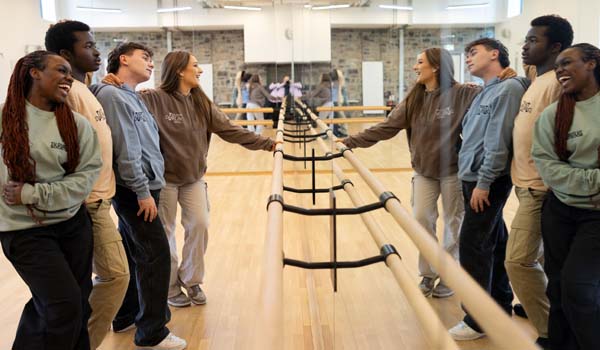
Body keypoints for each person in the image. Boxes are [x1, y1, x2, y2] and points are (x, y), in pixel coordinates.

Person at [101, 50, 275, 307]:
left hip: (193, 178)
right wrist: (111, 83)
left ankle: (192, 280)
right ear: (180, 70)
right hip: (165, 181)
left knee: (200, 225)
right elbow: (125, 102)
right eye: (195, 65)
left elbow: (229, 130)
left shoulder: (201, 102)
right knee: (166, 234)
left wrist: (268, 144)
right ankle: (170, 287)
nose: (200, 70)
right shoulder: (154, 98)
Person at [342, 48, 481, 298]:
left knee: (453, 225)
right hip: (424, 171)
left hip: (453, 172)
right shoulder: (414, 98)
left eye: (420, 62)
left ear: (436, 66)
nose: (415, 67)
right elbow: (387, 127)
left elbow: (493, 98)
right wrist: (350, 141)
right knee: (421, 221)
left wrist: (500, 78)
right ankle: (428, 274)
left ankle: (450, 277)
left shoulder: (462, 94)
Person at [0, 50, 102, 349]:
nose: (69, 77)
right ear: (34, 72)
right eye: (61, 70)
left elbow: (85, 178)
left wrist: (33, 193)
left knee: (74, 305)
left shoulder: (76, 124)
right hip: (23, 231)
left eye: (70, 72)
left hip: (72, 224)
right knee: (63, 304)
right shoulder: (6, 119)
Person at [90, 43, 186, 350]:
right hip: (136, 190)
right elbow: (127, 150)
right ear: (123, 59)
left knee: (134, 251)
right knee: (155, 256)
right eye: (145, 58)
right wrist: (143, 191)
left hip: (145, 186)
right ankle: (152, 333)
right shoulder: (113, 95)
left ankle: (125, 315)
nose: (150, 64)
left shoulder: (129, 94)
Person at [44, 20, 130, 350]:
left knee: (85, 284)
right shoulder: (67, 93)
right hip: (87, 203)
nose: (96, 51)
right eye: (88, 46)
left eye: (95, 45)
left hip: (100, 199)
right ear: (65, 54)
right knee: (116, 275)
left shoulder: (84, 88)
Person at [449, 38, 529, 341]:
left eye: (473, 53)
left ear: (494, 54)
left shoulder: (509, 89)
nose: (468, 59)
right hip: (473, 177)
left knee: (472, 246)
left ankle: (477, 319)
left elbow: (498, 143)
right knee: (493, 241)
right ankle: (498, 306)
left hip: (487, 181)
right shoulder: (489, 89)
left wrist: (483, 183)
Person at [504, 15, 573, 349]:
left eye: (533, 41)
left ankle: (550, 332)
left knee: (517, 260)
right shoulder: (537, 77)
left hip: (541, 188)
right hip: (524, 183)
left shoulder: (558, 83)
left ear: (555, 47)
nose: (525, 46)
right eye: (526, 40)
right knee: (545, 258)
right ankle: (549, 313)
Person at [532, 43, 600, 350]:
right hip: (559, 210)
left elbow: (561, 172)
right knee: (557, 287)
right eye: (557, 65)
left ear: (592, 64)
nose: (559, 69)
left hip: (595, 216)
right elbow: (548, 168)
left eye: (567, 62)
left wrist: (579, 181)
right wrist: (592, 181)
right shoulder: (552, 114)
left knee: (579, 289)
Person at [330, 69, 349, 137]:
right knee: (338, 117)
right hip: (336, 102)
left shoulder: (339, 84)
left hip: (338, 101)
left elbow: (340, 94)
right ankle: (340, 131)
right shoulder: (335, 83)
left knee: (341, 117)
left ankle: (343, 132)